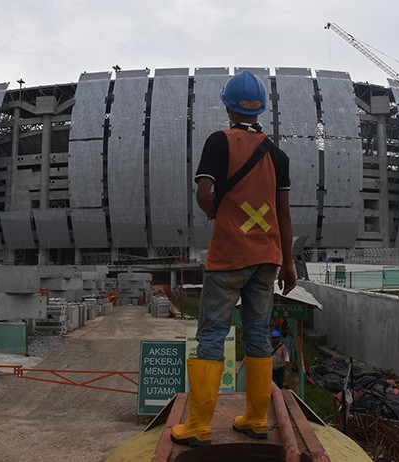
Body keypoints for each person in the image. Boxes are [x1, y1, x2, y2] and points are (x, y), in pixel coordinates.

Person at [171, 70, 297, 447]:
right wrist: (288, 263)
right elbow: (284, 214)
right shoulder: (278, 154)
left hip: (229, 256)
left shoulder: (219, 142)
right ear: (261, 108)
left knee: (211, 334)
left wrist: (218, 216)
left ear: (227, 106)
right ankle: (257, 419)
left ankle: (198, 426)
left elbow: (203, 192)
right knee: (258, 334)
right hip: (268, 258)